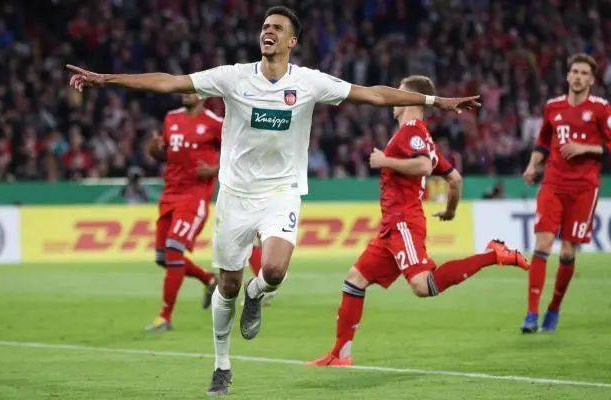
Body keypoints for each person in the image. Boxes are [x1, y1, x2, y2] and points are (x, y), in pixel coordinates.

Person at [66, 6, 480, 396]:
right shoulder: (233, 77)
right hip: (235, 196)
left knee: (275, 270)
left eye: (277, 28)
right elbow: (170, 82)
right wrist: (107, 79)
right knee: (227, 285)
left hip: (281, 192)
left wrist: (435, 102)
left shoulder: (309, 82)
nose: (268, 31)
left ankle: (258, 292)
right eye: (265, 26)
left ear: (292, 41)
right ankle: (222, 363)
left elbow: (373, 94)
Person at [307, 75, 529, 367]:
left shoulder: (411, 132)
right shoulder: (421, 137)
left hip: (403, 222)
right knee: (355, 280)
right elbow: (455, 179)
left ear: (410, 99)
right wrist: (450, 211)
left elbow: (423, 166)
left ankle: (492, 255)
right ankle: (340, 354)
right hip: (391, 228)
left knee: (423, 285)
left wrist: (385, 161)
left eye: (399, 93)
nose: (394, 100)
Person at [145, 94, 263, 332]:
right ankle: (209, 279)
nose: (185, 93)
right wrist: (154, 149)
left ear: (202, 94)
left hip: (194, 198)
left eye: (190, 89)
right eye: (184, 89)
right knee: (162, 257)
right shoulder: (171, 118)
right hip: (169, 194)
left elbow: (240, 155)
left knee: (174, 250)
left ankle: (164, 317)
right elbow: (166, 154)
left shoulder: (215, 123)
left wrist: (214, 170)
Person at [520, 53, 611, 333]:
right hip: (553, 184)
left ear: (591, 80)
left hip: (584, 189)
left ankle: (554, 308)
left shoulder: (601, 109)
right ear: (568, 75)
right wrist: (532, 165)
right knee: (543, 244)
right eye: (575, 72)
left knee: (568, 251)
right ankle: (531, 314)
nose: (578, 77)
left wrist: (585, 148)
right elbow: (543, 142)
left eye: (584, 73)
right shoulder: (553, 107)